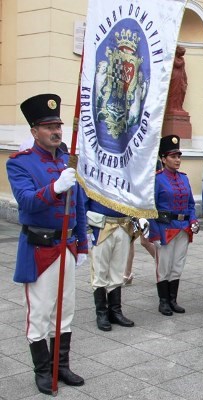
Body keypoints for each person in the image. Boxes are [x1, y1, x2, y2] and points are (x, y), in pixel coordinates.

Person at [7, 93, 87, 394]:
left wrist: (82, 244)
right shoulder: (20, 164)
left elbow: (78, 205)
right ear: (34, 132)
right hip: (40, 249)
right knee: (40, 312)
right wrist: (55, 187)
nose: (56, 131)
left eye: (58, 125)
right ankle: (43, 370)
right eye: (48, 126)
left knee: (65, 310)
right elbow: (26, 202)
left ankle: (61, 366)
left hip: (66, 246)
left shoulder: (68, 161)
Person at [149, 135, 199, 316]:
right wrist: (154, 233)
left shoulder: (184, 178)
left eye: (179, 156)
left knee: (178, 265)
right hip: (165, 228)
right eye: (173, 156)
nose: (177, 160)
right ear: (163, 158)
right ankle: (163, 301)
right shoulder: (157, 179)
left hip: (183, 228)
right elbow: (150, 208)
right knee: (164, 266)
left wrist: (193, 221)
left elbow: (191, 205)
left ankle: (173, 300)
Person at [84, 196, 142, 331]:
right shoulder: (94, 175)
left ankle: (115, 311)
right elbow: (83, 202)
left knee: (117, 271)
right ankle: (101, 313)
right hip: (100, 226)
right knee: (99, 271)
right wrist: (85, 228)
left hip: (123, 225)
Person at [167, 46, 188, 113]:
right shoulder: (173, 58)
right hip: (175, 77)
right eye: (181, 52)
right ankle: (172, 107)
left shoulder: (182, 59)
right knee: (174, 92)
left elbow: (183, 70)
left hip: (181, 77)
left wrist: (185, 80)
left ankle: (179, 107)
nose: (182, 54)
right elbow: (177, 64)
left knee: (181, 92)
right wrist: (182, 61)